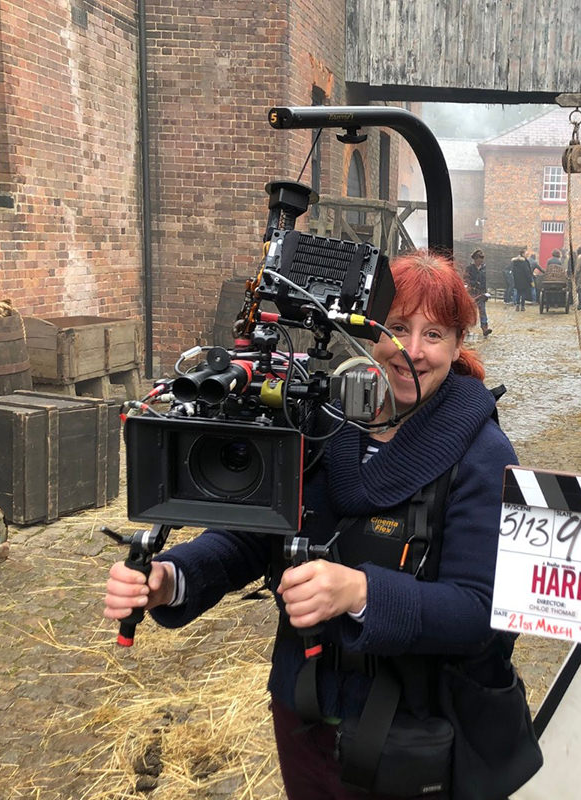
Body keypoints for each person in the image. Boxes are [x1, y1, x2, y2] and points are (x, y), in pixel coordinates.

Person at [103, 251, 520, 799]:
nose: (411, 351)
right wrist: (172, 577)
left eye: (434, 334)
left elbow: (479, 612)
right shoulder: (327, 423)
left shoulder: (483, 453)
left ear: (458, 345)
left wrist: (361, 591)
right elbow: (255, 534)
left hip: (417, 727)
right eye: (396, 328)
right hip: (306, 705)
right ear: (370, 331)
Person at [465, 248, 493, 336]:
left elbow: (484, 281)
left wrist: (485, 293)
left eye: (482, 260)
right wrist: (474, 283)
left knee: (482, 311)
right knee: (470, 311)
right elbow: (466, 279)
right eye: (479, 260)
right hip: (472, 292)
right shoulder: (469, 268)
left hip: (481, 293)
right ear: (475, 259)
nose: (481, 262)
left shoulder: (483, 268)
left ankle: (485, 328)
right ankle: (466, 328)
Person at [511, 248, 533, 312]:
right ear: (523, 254)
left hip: (517, 280)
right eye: (526, 253)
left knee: (518, 292)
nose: (527, 255)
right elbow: (527, 272)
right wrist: (530, 280)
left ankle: (517, 305)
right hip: (524, 280)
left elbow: (513, 271)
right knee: (523, 293)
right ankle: (522, 306)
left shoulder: (515, 262)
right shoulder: (524, 262)